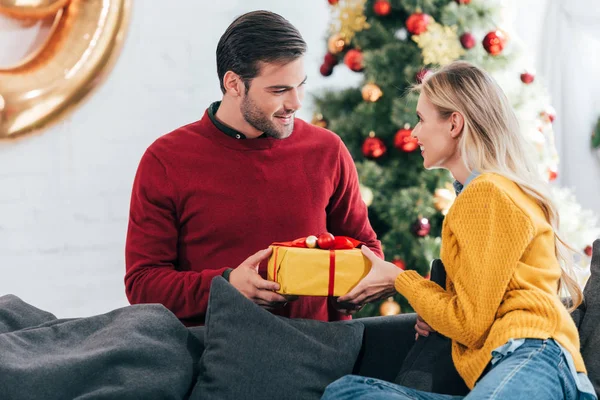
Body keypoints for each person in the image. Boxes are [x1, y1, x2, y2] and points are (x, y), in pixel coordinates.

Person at [322, 61, 597, 399]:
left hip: (531, 354)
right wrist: (438, 313)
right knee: (348, 392)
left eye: (422, 119)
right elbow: (472, 312)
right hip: (510, 366)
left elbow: (468, 323)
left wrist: (398, 279)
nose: (414, 133)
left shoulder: (487, 192)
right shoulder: (490, 191)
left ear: (454, 123)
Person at [124, 10, 382, 326]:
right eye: (279, 90)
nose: (296, 102)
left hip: (322, 353)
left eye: (300, 85)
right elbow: (143, 285)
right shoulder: (166, 160)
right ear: (234, 83)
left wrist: (349, 286)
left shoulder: (327, 149)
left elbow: (367, 249)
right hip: (216, 358)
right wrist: (228, 286)